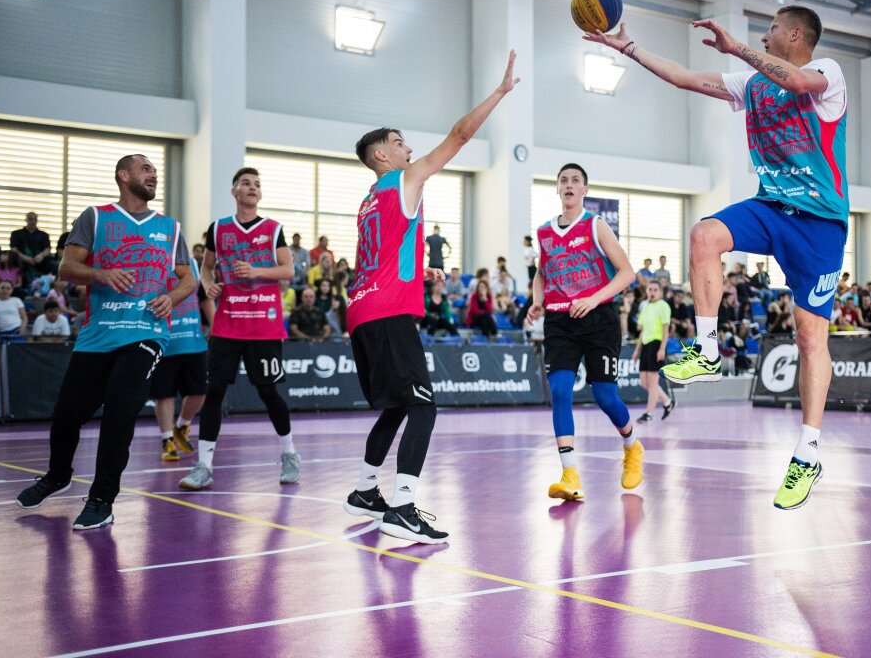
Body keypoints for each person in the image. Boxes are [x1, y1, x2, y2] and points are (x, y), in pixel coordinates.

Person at [587, 5, 848, 510]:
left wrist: (736, 50)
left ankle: (808, 451)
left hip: (819, 222)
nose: (764, 33)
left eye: (772, 27)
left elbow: (796, 83)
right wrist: (629, 48)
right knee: (704, 235)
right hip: (770, 207)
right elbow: (686, 78)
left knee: (810, 338)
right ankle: (707, 349)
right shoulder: (750, 85)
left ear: (796, 33)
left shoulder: (828, 75)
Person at [342, 50, 518, 545]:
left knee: (397, 406)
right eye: (399, 144)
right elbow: (460, 136)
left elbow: (380, 257)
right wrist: (500, 93)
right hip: (387, 311)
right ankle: (401, 507)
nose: (408, 149)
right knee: (423, 406)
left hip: (364, 309)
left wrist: (420, 271)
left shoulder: (368, 200)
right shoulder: (405, 179)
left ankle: (363, 491)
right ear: (382, 156)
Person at [14, 154, 196, 530]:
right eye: (145, 169)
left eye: (154, 171)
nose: (153, 174)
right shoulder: (95, 217)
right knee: (66, 415)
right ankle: (58, 474)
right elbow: (66, 268)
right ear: (123, 175)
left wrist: (172, 298)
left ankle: (102, 499)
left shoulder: (170, 227)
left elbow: (188, 279)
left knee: (120, 406)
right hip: (97, 336)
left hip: (146, 334)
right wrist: (100, 272)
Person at [525, 162, 642, 502]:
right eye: (563, 180)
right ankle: (569, 474)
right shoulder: (545, 233)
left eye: (576, 181)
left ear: (585, 190)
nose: (569, 185)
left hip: (598, 318)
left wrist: (592, 299)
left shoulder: (596, 225)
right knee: (560, 390)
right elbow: (541, 274)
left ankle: (632, 446)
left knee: (605, 397)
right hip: (560, 321)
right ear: (558, 189)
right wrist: (537, 301)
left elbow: (626, 273)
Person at [180, 166, 299, 492]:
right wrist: (210, 286)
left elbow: (288, 271)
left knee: (268, 392)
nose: (252, 187)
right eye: (246, 183)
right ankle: (204, 466)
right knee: (215, 391)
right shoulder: (218, 229)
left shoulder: (273, 229)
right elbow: (206, 270)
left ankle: (289, 453)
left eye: (257, 184)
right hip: (228, 324)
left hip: (264, 324)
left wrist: (256, 270)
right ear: (234, 192)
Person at [150, 258, 208, 462]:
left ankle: (182, 425)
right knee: (164, 395)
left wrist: (215, 327)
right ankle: (167, 440)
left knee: (199, 392)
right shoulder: (152, 263)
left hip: (194, 340)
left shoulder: (193, 264)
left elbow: (205, 298)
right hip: (165, 340)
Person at [634, 280, 673, 423]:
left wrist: (662, 348)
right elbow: (642, 330)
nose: (652, 292)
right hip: (645, 345)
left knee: (652, 382)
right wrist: (637, 350)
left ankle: (649, 414)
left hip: (656, 345)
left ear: (660, 292)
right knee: (644, 382)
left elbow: (665, 330)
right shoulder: (646, 307)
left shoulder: (663, 306)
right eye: (650, 289)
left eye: (655, 289)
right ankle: (667, 401)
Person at [10, 212, 55, 277]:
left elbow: (47, 249)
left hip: (40, 262)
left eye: (35, 219)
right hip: (21, 261)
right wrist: (25, 258)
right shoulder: (16, 234)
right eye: (30, 219)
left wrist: (41, 256)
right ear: (26, 220)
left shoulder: (44, 235)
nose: (33, 221)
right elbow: (13, 249)